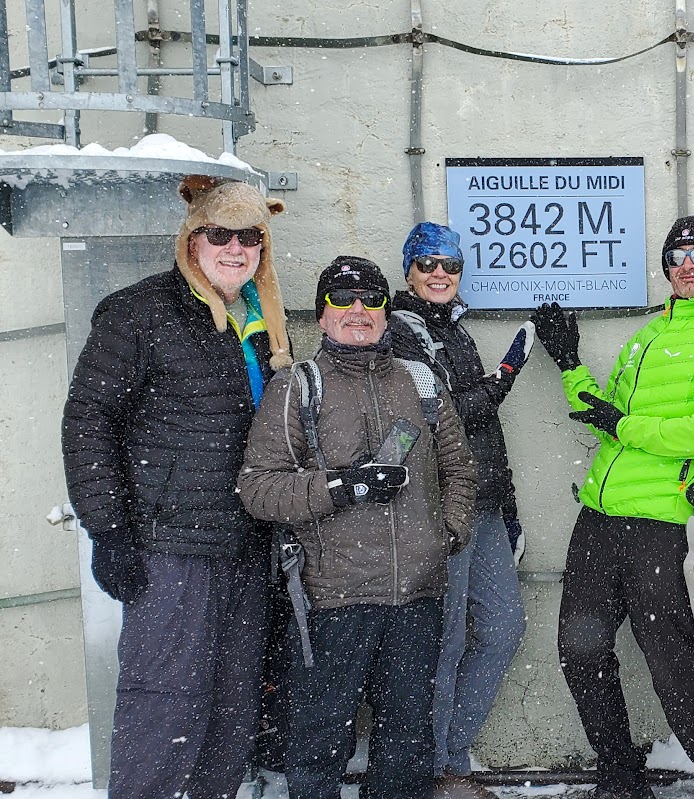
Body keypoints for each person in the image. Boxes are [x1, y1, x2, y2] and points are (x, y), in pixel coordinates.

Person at [60, 176, 292, 799]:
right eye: (220, 234)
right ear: (193, 241)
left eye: (250, 237)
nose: (236, 248)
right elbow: (89, 420)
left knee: (231, 706)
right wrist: (108, 527)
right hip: (171, 545)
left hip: (247, 541)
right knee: (165, 705)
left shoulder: (263, 317)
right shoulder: (139, 312)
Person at [533, 212, 694, 799]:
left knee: (671, 661)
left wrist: (625, 424)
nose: (688, 267)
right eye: (678, 257)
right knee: (580, 650)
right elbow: (607, 417)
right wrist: (568, 362)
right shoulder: (647, 334)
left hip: (665, 522)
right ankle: (620, 774)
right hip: (601, 516)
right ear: (665, 266)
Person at [238, 255, 477, 799]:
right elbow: (257, 488)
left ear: (387, 313)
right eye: (342, 300)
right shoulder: (298, 386)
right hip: (332, 599)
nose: (358, 311)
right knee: (319, 741)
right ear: (322, 315)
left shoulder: (418, 382)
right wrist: (341, 486)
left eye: (371, 300)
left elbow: (459, 468)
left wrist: (449, 536)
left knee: (407, 745)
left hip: (416, 597)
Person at [389, 222, 529, 798]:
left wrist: (511, 502)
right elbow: (437, 415)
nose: (440, 274)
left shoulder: (455, 328)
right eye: (427, 264)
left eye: (450, 264)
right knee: (443, 640)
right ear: (409, 271)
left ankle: (449, 752)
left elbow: (486, 434)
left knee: (502, 628)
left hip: (486, 504)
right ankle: (437, 771)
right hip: (441, 506)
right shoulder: (399, 332)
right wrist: (504, 377)